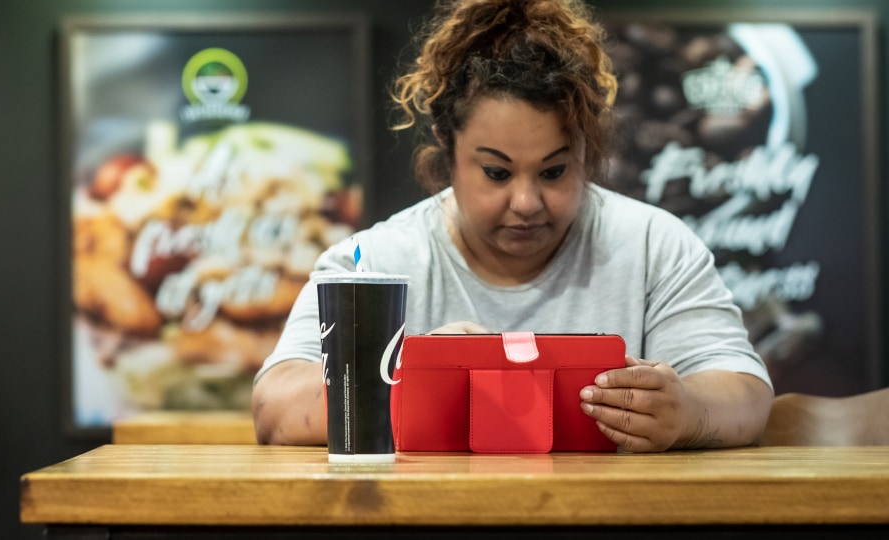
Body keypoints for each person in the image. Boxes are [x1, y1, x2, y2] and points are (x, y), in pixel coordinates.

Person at [251, 0, 774, 452]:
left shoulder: (653, 246)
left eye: (554, 171)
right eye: (496, 172)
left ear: (587, 151)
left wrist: (687, 413)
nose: (526, 202)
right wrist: (406, 377)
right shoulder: (373, 262)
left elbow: (747, 395)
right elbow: (274, 408)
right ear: (446, 146)